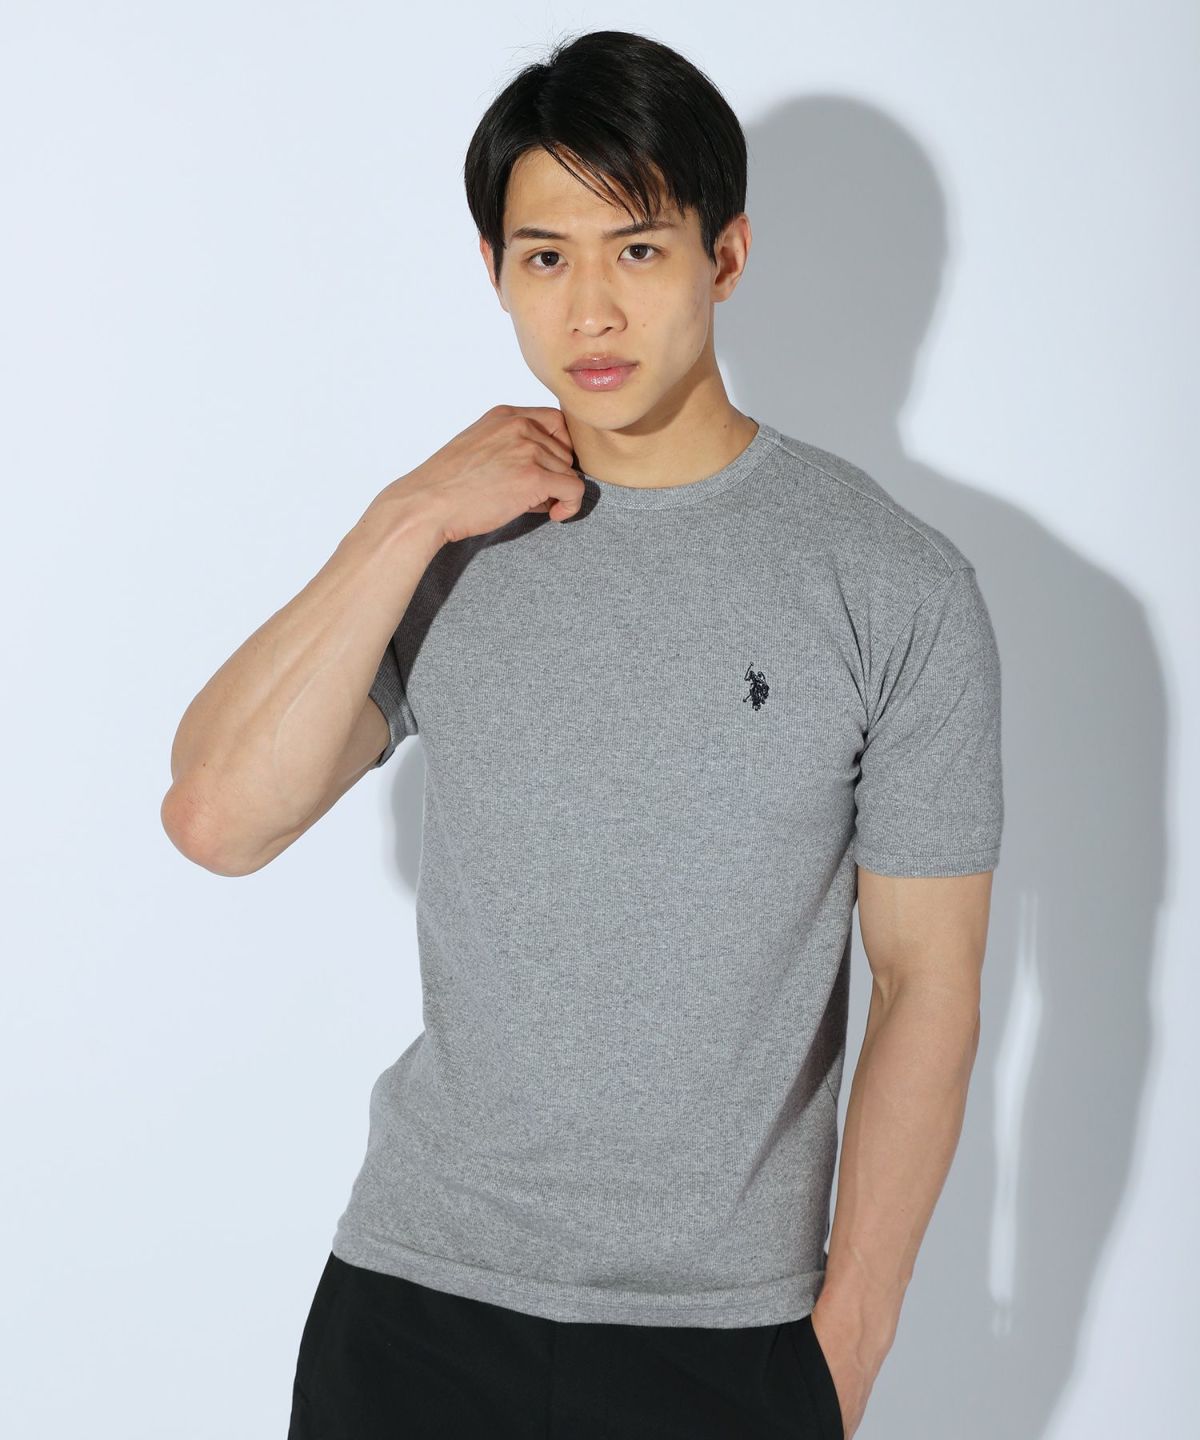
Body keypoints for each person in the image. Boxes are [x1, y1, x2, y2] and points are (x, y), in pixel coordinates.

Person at [162, 28, 1003, 1440]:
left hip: (726, 1343)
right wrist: (405, 515)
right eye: (545, 257)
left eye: (639, 250)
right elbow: (216, 818)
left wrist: (845, 1346)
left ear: (726, 256)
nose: (592, 311)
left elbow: (929, 982)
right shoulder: (452, 543)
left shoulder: (891, 583)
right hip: (413, 1309)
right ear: (495, 272)